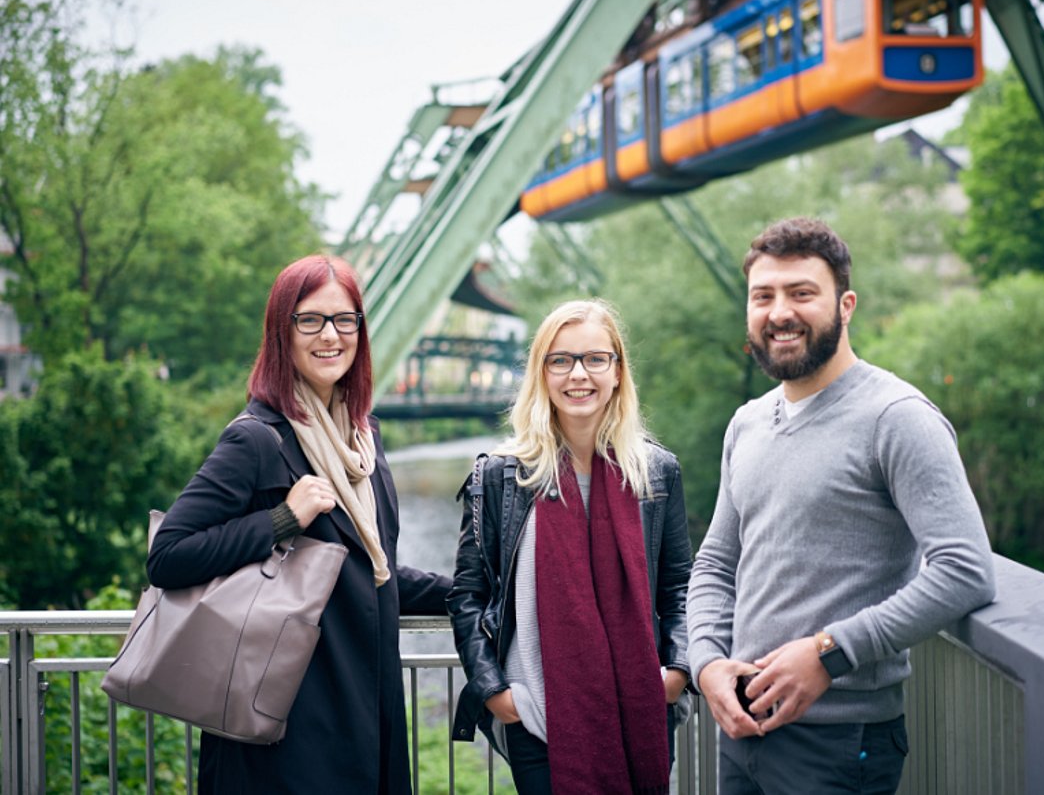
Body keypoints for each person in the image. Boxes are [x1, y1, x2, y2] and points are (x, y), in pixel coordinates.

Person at [686, 217, 997, 795]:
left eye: (802, 293)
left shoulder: (897, 417)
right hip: (741, 730)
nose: (780, 312)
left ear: (845, 304)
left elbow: (965, 570)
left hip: (840, 743)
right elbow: (714, 565)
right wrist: (706, 663)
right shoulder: (747, 422)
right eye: (763, 296)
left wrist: (831, 652)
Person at [147, 255, 451, 794]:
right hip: (285, 731)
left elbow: (368, 574)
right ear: (281, 332)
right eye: (310, 320)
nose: (330, 335)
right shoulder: (258, 439)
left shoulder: (364, 441)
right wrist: (283, 518)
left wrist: (474, 590)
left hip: (363, 712)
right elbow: (169, 555)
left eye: (345, 319)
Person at [447, 299, 692, 795]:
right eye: (561, 360)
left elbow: (679, 588)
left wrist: (677, 670)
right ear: (541, 373)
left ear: (618, 371)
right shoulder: (501, 476)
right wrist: (494, 691)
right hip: (538, 716)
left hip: (640, 710)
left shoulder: (656, 474)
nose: (578, 374)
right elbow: (468, 595)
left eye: (595, 359)